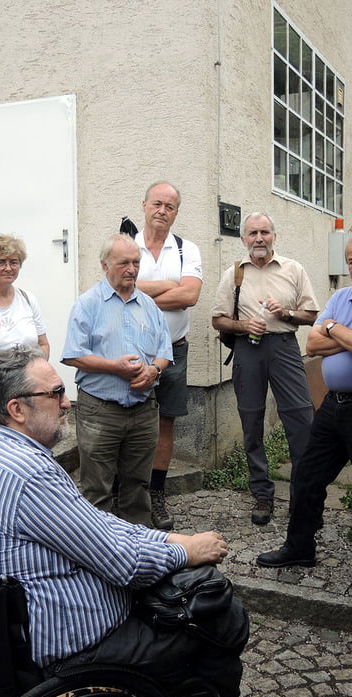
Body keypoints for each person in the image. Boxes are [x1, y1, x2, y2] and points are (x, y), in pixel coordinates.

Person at [0, 346, 249, 697]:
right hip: (76, 649)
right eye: (55, 393)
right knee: (222, 614)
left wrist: (168, 538)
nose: (66, 403)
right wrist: (187, 551)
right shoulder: (29, 474)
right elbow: (126, 564)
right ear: (17, 409)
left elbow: (98, 525)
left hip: (25, 629)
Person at [256, 229, 352, 598]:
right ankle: (300, 546)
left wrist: (335, 330)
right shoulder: (342, 297)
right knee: (307, 475)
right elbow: (312, 343)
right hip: (333, 403)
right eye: (351, 261)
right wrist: (348, 332)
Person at [211, 213, 318, 525]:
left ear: (274, 236)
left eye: (265, 232)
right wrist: (244, 325)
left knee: (301, 420)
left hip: (284, 348)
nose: (259, 238)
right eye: (253, 233)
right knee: (251, 421)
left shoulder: (293, 269)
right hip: (248, 349)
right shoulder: (234, 273)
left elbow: (311, 314)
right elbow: (218, 319)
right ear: (243, 239)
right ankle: (262, 493)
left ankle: (302, 496)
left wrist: (285, 313)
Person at [61, 234, 172, 526]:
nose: (132, 269)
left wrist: (154, 371)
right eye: (124, 263)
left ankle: (138, 542)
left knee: (138, 485)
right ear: (105, 265)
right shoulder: (88, 304)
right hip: (101, 410)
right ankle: (97, 545)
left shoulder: (149, 305)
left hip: (143, 408)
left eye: (136, 262)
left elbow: (165, 351)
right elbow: (73, 354)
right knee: (97, 487)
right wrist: (115, 367)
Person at [131, 182, 202, 530]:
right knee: (127, 421)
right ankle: (129, 494)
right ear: (144, 205)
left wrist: (138, 293)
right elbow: (116, 289)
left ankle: (156, 494)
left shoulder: (187, 249)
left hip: (173, 350)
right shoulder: (127, 246)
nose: (162, 210)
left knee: (165, 423)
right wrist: (168, 286)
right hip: (131, 352)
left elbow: (190, 296)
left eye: (169, 206)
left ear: (176, 212)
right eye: (157, 203)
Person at [0, 233, 49, 360]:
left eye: (14, 262)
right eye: (1, 262)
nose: (8, 268)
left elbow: (43, 344)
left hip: (27, 371)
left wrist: (37, 367)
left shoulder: (28, 299)